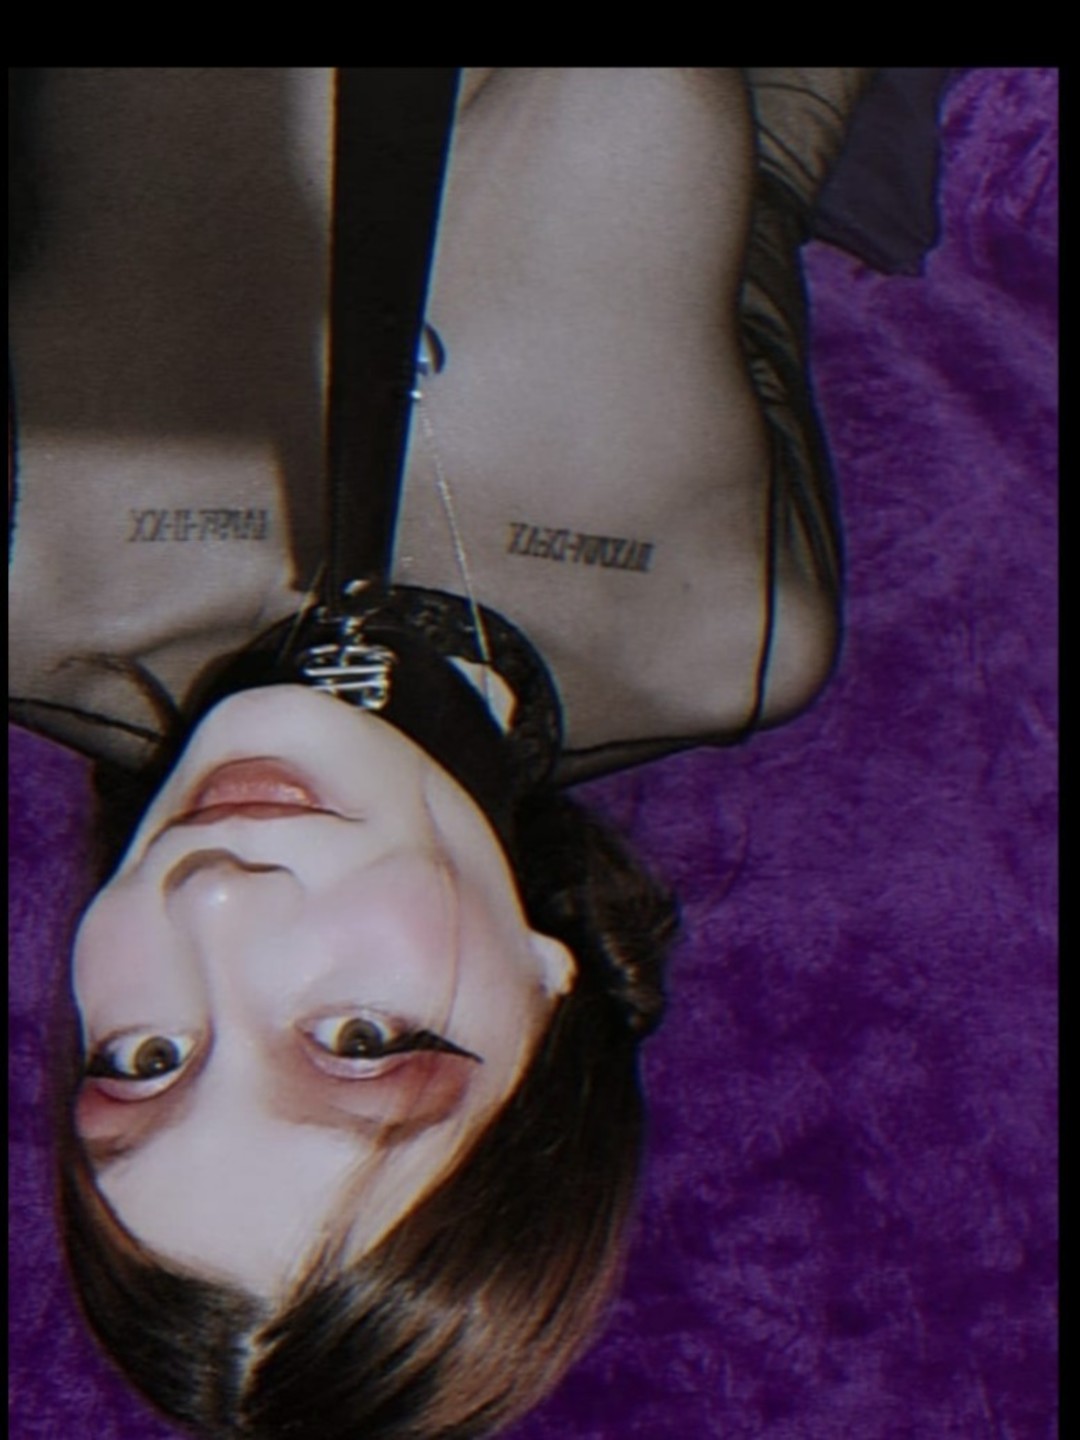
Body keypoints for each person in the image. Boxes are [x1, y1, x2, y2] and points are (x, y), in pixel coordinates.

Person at [9, 67, 948, 1439]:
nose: (212, 904)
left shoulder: (32, 588)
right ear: (553, 1000)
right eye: (362, 1041)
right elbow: (760, 182)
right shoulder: (727, 633)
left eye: (143, 1056)